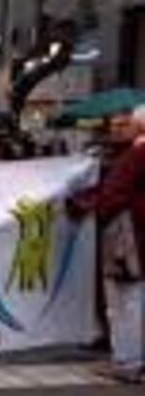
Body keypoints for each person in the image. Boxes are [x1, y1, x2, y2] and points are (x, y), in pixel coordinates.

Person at [71, 105, 145, 382]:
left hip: (130, 238)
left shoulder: (137, 154)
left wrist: (97, 208)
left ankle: (128, 361)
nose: (118, 130)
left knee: (126, 300)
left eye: (125, 124)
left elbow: (114, 195)